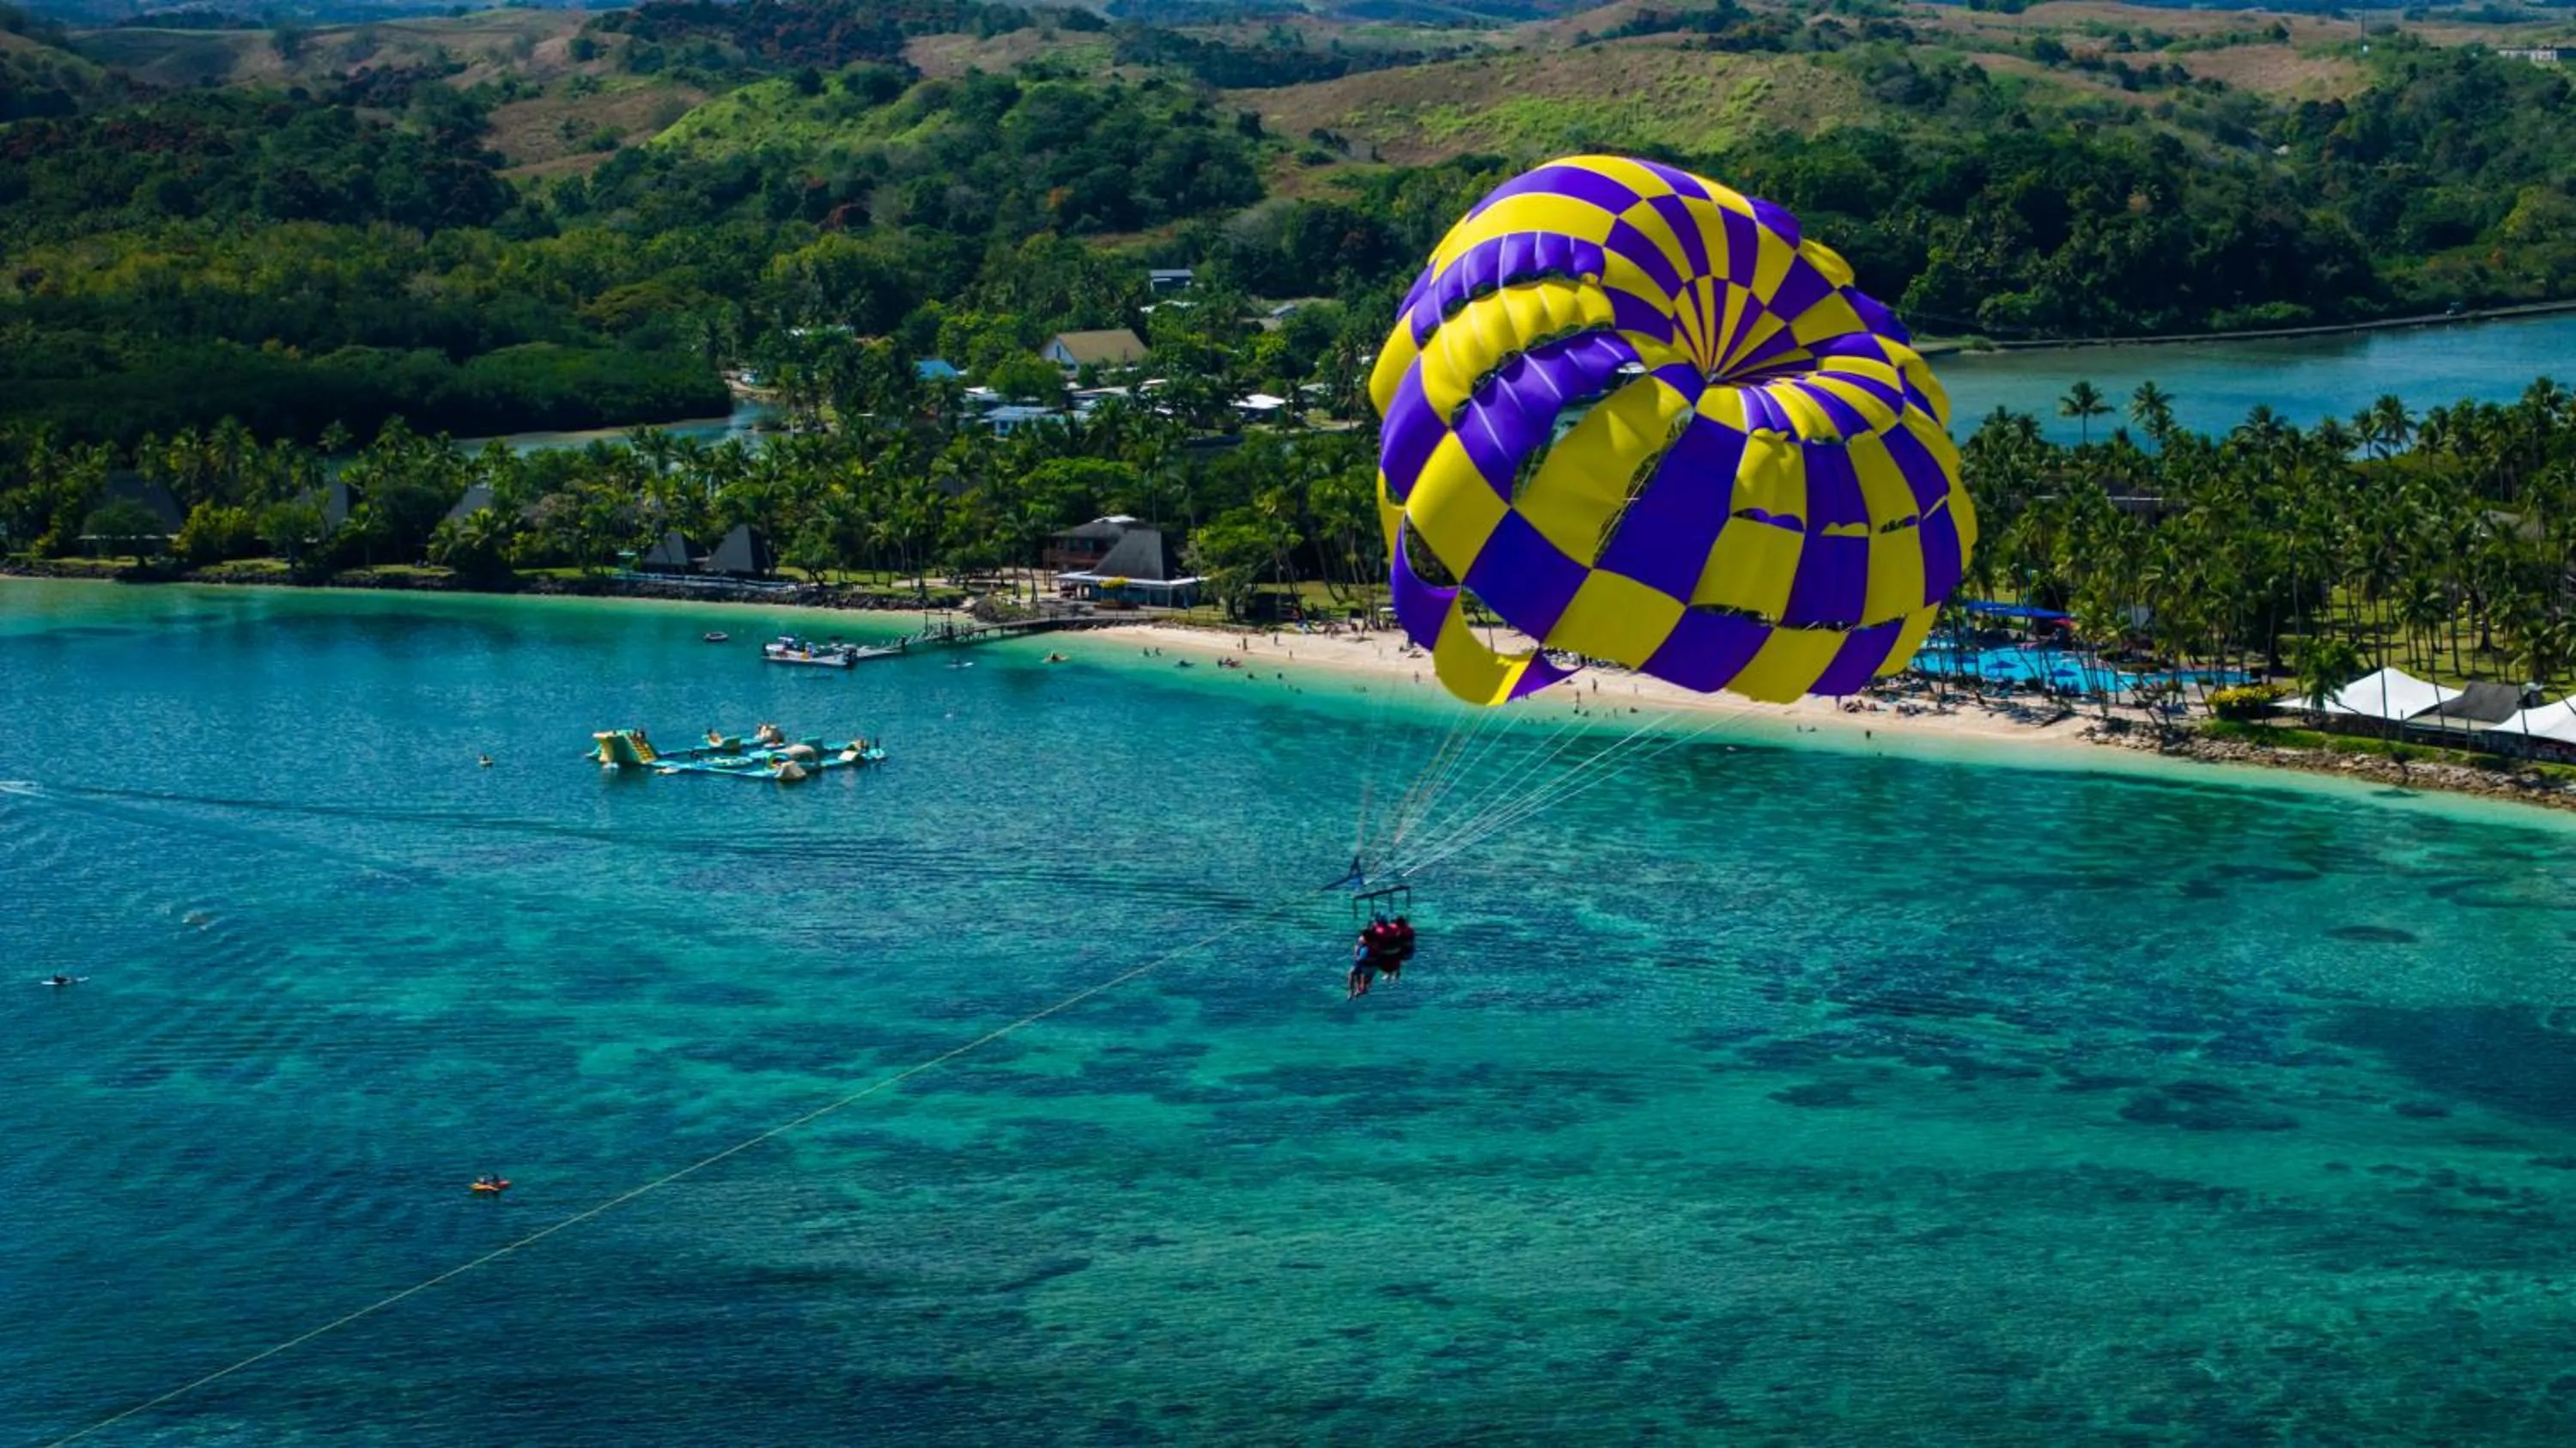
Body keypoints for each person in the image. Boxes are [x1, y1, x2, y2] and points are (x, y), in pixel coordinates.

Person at [1347, 934, 1376, 999]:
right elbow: (1356, 948)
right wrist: (1356, 954)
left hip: (1367, 963)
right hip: (1360, 960)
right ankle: (1351, 991)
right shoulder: (1361, 940)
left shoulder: (1374, 942)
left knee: (1361, 979)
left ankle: (1358, 990)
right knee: (1352, 973)